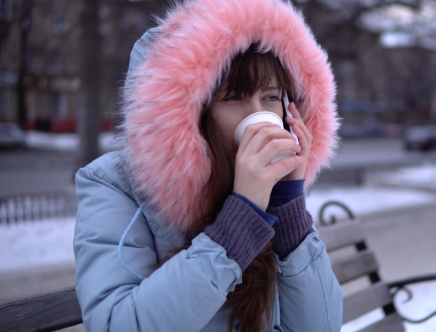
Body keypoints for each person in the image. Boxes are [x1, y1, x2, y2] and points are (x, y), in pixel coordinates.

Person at [73, 0, 342, 331]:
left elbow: (321, 327)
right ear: (190, 114)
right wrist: (239, 221)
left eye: (271, 98)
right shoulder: (115, 184)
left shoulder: (270, 188)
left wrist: (288, 209)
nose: (259, 118)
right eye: (232, 98)